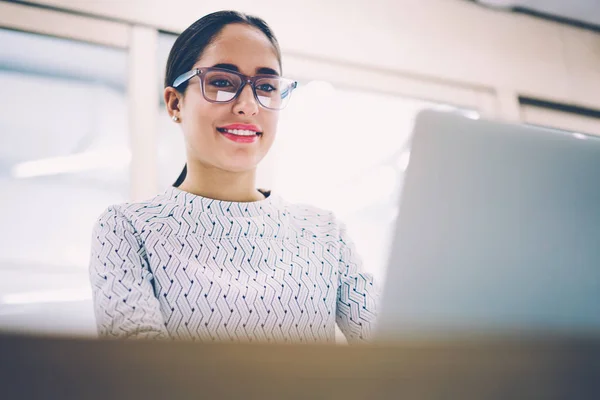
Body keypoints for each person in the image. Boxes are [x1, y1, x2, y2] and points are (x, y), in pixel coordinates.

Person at [89, 10, 377, 344]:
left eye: (266, 86)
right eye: (222, 82)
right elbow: (140, 375)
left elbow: (398, 355)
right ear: (174, 103)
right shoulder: (128, 228)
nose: (247, 105)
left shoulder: (325, 234)